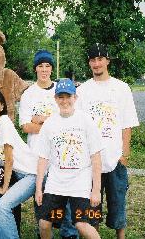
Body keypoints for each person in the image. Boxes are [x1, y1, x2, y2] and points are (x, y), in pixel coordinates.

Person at [76, 43, 139, 239]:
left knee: (117, 202)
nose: (97, 63)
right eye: (93, 60)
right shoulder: (83, 90)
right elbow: (79, 125)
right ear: (89, 63)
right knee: (91, 205)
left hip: (115, 157)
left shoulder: (121, 88)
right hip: (91, 160)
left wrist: (124, 154)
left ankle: (121, 236)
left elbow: (127, 123)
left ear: (107, 61)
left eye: (100, 59)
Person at [19, 50, 79, 239]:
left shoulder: (60, 90)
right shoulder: (29, 94)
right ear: (35, 69)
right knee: (42, 198)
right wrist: (51, 121)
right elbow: (26, 126)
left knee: (66, 199)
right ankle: (44, 233)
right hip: (38, 156)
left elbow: (70, 120)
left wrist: (41, 119)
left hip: (62, 155)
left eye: (47, 66)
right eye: (40, 66)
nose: (44, 70)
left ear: (52, 68)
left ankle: (69, 234)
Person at [35, 78, 103, 239]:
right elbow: (43, 158)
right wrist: (39, 188)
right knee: (44, 223)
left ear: (75, 98)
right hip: (56, 183)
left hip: (80, 183)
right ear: (55, 99)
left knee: (82, 224)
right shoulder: (50, 124)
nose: (65, 101)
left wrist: (96, 190)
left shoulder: (86, 121)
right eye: (61, 97)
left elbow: (96, 157)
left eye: (68, 96)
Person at [0, 89, 38, 239]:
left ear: (2, 107)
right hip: (13, 175)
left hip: (29, 174)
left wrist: (4, 188)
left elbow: (9, 160)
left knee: (3, 206)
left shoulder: (4, 122)